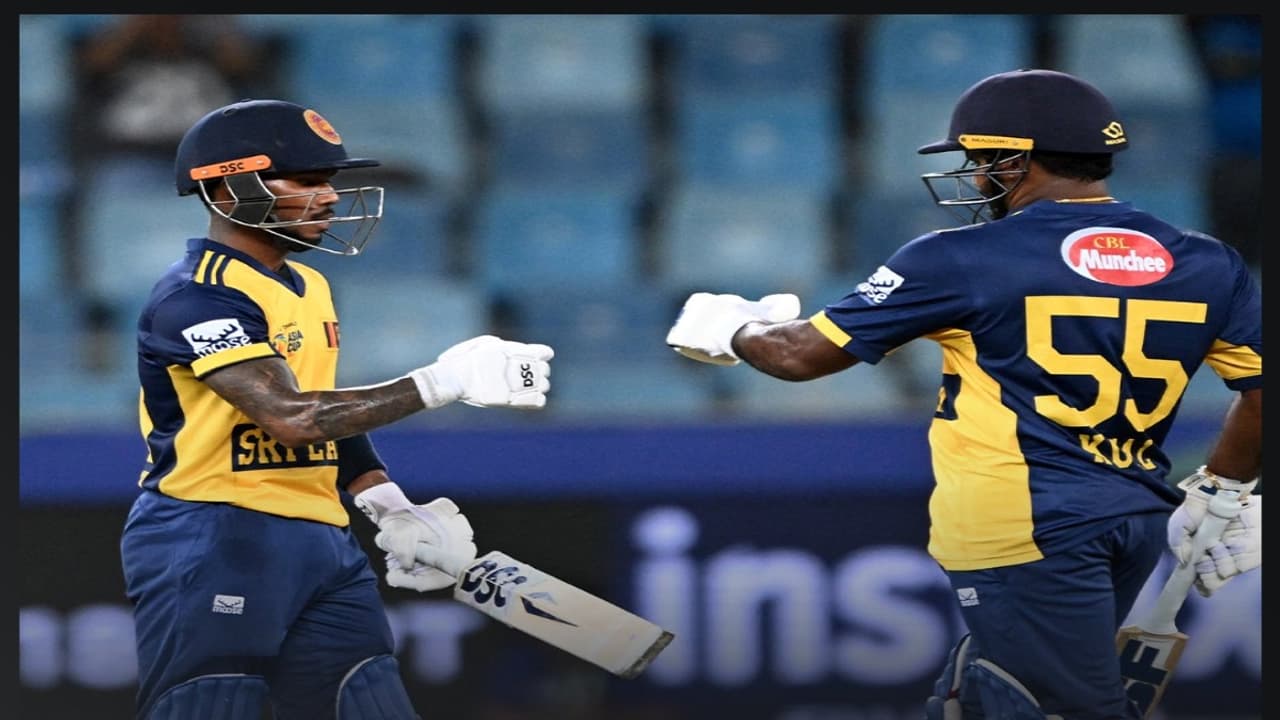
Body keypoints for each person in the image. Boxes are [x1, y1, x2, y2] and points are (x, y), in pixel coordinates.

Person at [665, 68, 1261, 719]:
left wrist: (734, 329)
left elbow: (801, 355)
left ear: (1016, 157)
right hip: (1132, 518)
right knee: (975, 698)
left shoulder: (963, 256)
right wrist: (1224, 488)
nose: (976, 177)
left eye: (980, 160)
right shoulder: (1206, 261)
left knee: (1056, 708)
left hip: (1024, 520)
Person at [118, 98, 555, 720]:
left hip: (323, 540)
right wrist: (442, 382)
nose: (327, 197)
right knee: (209, 705)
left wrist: (386, 502)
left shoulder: (310, 286)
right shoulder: (197, 296)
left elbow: (324, 406)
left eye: (327, 181)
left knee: (368, 702)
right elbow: (292, 417)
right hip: (214, 534)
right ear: (227, 189)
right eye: (304, 180)